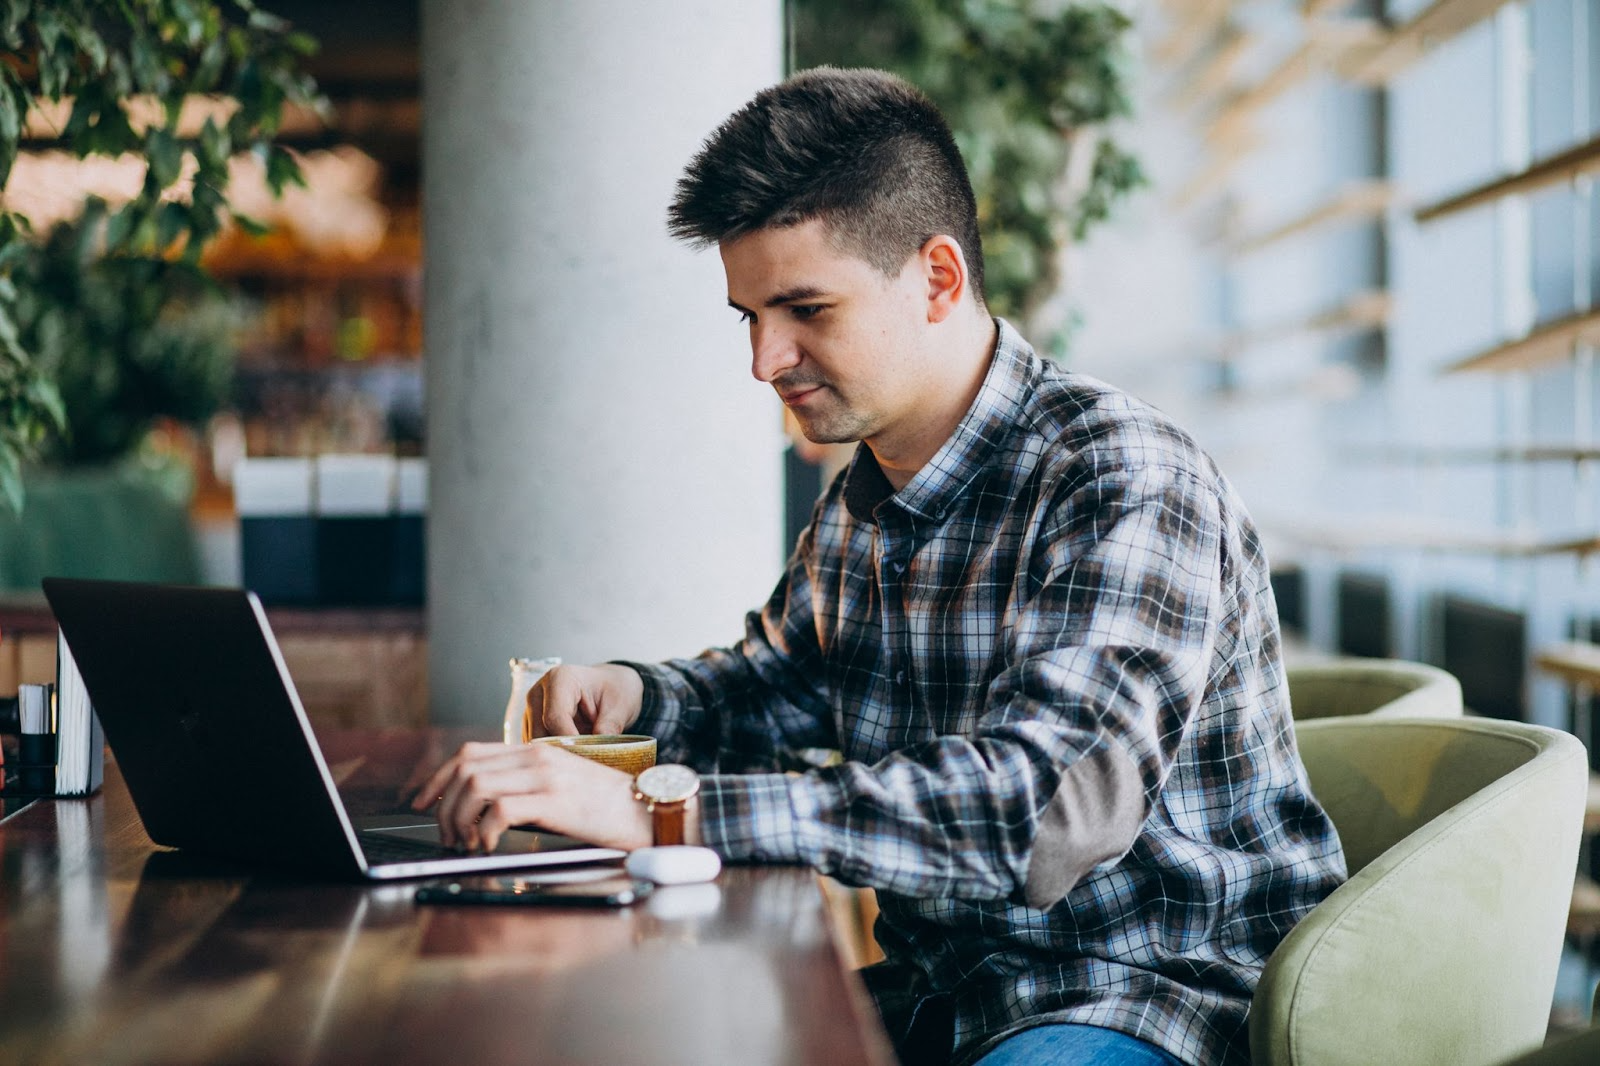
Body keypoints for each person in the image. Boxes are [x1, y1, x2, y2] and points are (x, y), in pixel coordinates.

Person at [414, 67, 1346, 1066]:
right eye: (749, 315)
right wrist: (633, 698)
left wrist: (657, 810)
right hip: (947, 990)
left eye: (805, 308)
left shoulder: (1121, 476)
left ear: (938, 278)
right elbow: (775, 692)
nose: (765, 361)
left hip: (1150, 997)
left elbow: (1032, 818)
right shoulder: (867, 490)